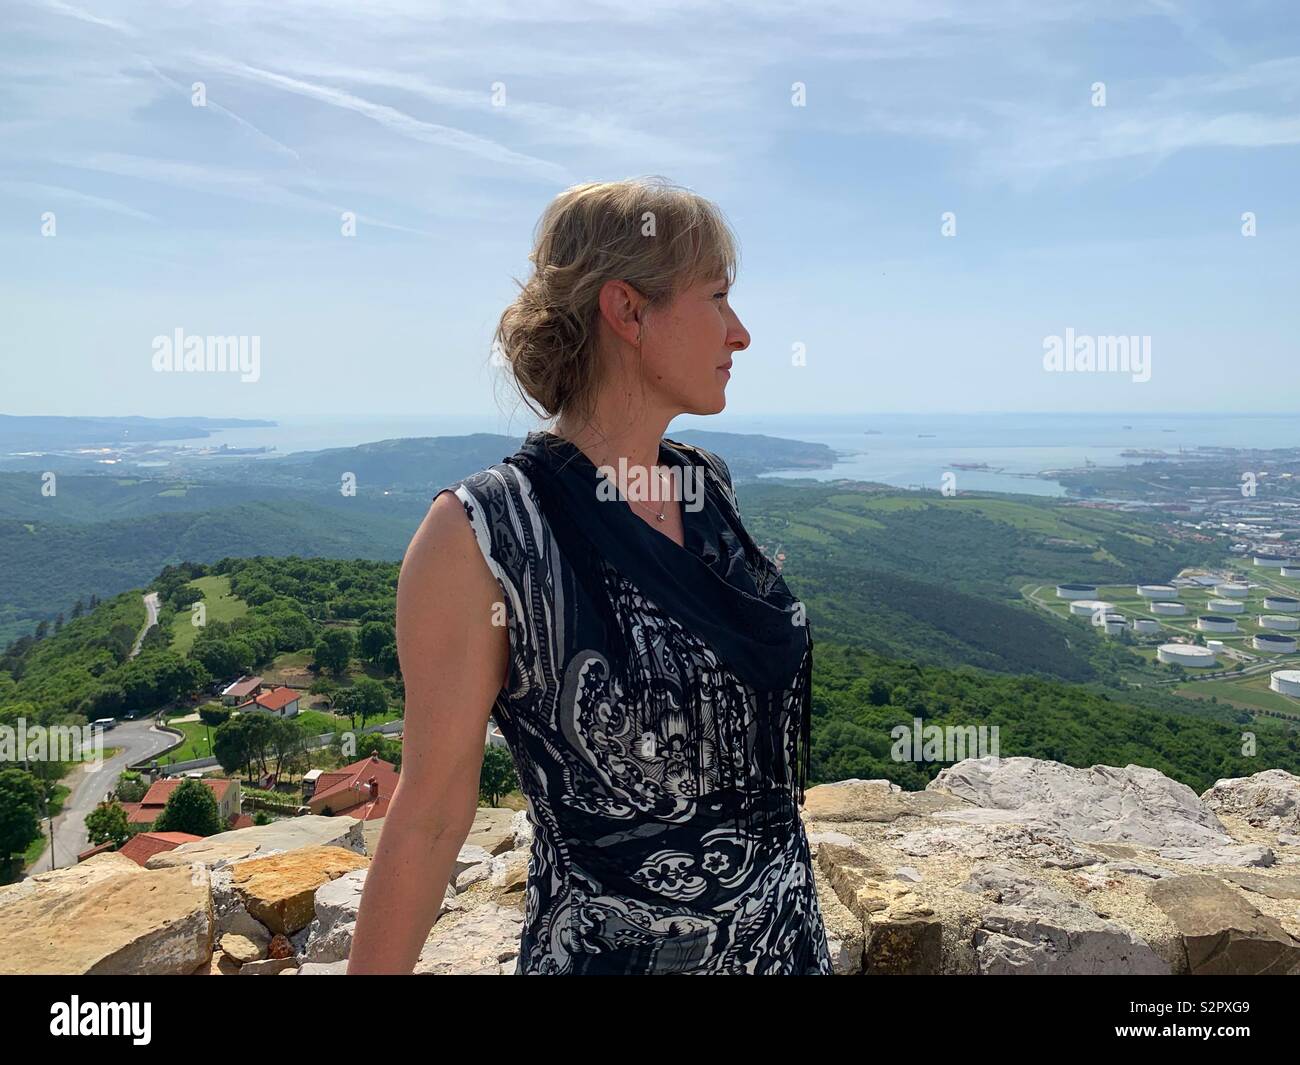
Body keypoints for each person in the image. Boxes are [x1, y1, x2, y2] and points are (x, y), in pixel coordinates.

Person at [348, 176, 833, 975]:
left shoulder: (703, 485)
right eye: (716, 296)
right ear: (628, 311)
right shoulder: (485, 534)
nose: (740, 333)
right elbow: (430, 817)